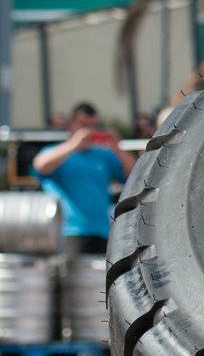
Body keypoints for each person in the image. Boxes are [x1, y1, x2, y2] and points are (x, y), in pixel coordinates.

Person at [30, 102, 135, 256]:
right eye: (83, 125)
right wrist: (74, 144)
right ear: (71, 125)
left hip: (102, 232)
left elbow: (134, 174)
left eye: (93, 126)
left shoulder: (103, 155)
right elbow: (40, 165)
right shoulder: (57, 152)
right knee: (68, 278)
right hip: (68, 231)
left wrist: (117, 148)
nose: (89, 130)